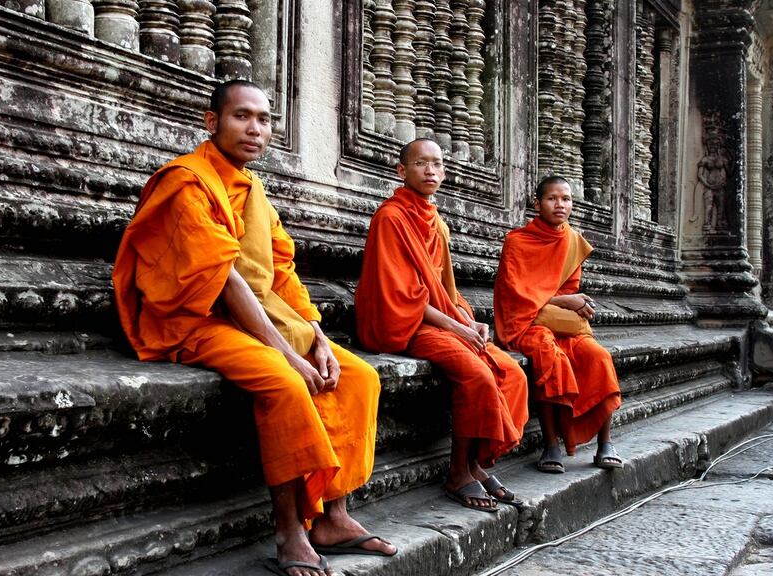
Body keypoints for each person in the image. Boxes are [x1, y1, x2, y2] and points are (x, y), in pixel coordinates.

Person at [113, 80, 396, 576]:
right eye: (242, 116)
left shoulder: (253, 189)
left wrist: (318, 337)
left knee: (358, 377)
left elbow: (282, 270)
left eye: (264, 120)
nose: (255, 129)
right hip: (197, 319)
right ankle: (288, 529)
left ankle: (334, 516)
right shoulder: (184, 181)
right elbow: (222, 278)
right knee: (287, 383)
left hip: (262, 314)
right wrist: (289, 354)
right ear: (211, 121)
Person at [355, 138, 529, 513]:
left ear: (445, 172)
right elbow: (403, 295)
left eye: (437, 164)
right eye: (421, 163)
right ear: (402, 171)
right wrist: (455, 327)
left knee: (512, 372)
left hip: (441, 319)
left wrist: (469, 320)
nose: (430, 170)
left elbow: (446, 289)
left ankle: (477, 464)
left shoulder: (436, 222)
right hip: (404, 322)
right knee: (478, 376)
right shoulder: (390, 218)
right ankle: (457, 473)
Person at [493, 175, 624, 474]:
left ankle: (606, 442)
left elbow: (568, 290)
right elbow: (516, 295)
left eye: (566, 199)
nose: (560, 205)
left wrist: (575, 303)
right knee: (550, 357)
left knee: (599, 358)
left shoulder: (572, 242)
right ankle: (551, 443)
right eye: (552, 199)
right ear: (538, 204)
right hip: (527, 324)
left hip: (561, 324)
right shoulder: (517, 241)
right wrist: (568, 302)